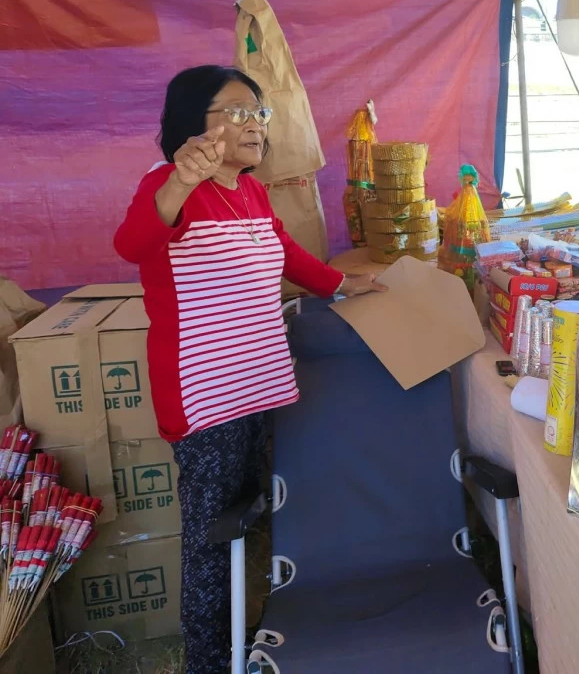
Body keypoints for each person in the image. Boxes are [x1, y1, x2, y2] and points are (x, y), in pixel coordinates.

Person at [114, 65, 385, 674]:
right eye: (236, 112)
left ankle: (253, 637)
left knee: (254, 521)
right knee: (213, 540)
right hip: (205, 400)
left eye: (259, 113)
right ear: (193, 123)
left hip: (261, 385)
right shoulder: (168, 186)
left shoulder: (252, 192)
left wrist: (342, 285)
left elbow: (283, 252)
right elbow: (132, 243)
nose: (255, 125)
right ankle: (209, 662)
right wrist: (180, 182)